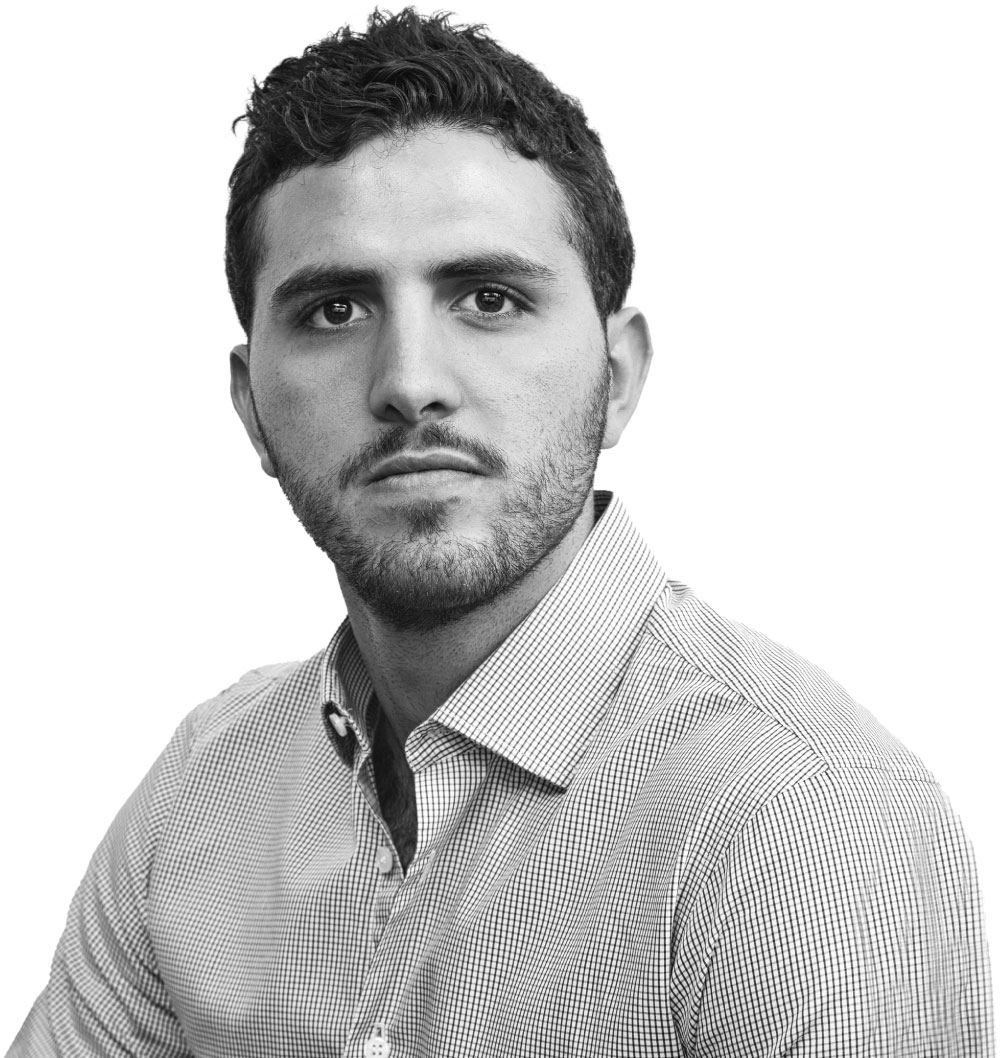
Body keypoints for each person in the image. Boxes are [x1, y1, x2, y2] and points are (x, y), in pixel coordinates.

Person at [8, 8, 993, 1057]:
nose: (409, 382)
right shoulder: (202, 791)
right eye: (336, 310)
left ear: (617, 379)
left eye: (488, 297)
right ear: (252, 407)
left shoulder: (802, 821)